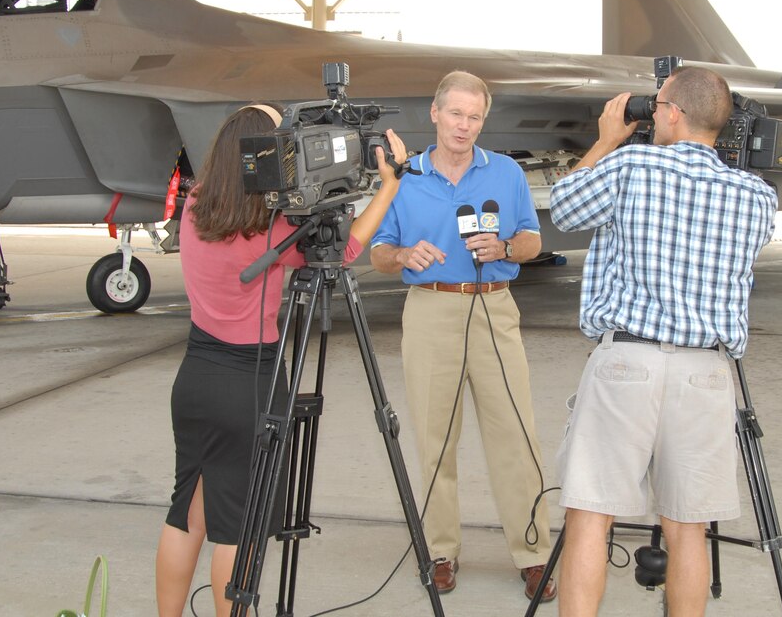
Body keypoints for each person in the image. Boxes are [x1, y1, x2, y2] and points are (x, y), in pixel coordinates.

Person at [155, 103, 408, 617]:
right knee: (238, 530)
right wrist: (388, 185)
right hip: (250, 382)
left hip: (196, 377)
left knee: (188, 515)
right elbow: (347, 248)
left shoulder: (197, 204)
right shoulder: (272, 229)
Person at [549, 66, 777, 616]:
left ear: (672, 112)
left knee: (590, 514)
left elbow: (563, 208)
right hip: (705, 373)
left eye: (657, 107)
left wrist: (606, 140)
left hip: (629, 362)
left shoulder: (630, 164)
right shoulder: (757, 196)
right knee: (688, 528)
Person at [369, 71, 557, 601]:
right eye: (456, 114)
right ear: (435, 112)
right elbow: (378, 251)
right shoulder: (404, 178)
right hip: (430, 309)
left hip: (494, 309)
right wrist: (404, 255)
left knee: (515, 436)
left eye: (474, 117)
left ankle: (534, 553)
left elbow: (530, 237)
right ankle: (440, 551)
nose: (464, 126)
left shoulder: (506, 172)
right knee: (434, 437)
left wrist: (507, 249)